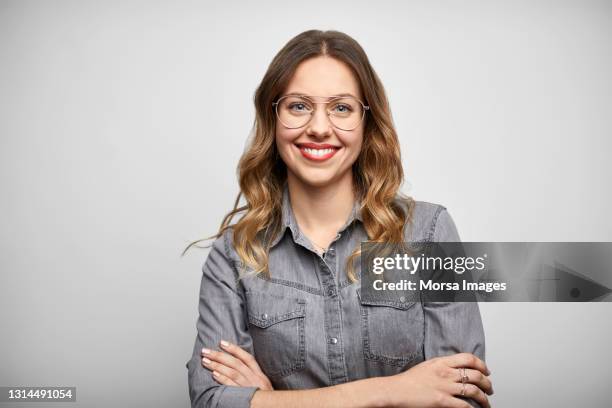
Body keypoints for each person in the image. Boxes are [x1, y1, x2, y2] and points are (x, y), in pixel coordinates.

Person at [184, 29, 493, 408]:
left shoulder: (429, 233)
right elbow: (212, 402)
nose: (318, 126)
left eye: (341, 108)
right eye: (298, 106)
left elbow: (461, 399)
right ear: (273, 116)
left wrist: (268, 400)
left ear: (367, 122)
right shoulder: (233, 255)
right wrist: (391, 391)